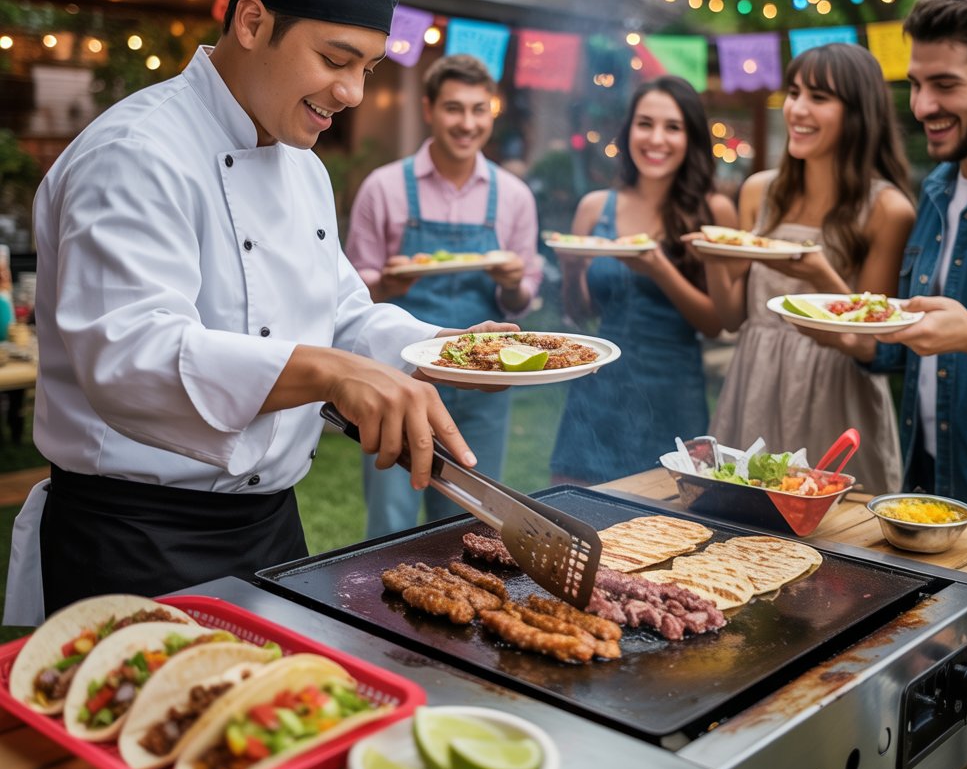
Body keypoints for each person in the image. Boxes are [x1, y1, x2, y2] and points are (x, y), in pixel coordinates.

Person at [3, 0, 510, 624]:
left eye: (366, 67)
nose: (353, 92)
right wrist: (330, 374)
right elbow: (129, 357)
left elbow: (340, 313)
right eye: (335, 60)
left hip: (270, 528)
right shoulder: (134, 154)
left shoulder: (301, 162)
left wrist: (443, 349)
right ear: (250, 22)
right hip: (135, 536)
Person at [823, 0, 967, 516]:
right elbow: (916, 346)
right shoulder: (935, 188)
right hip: (928, 487)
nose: (921, 105)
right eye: (914, 84)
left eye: (944, 84)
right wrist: (855, 337)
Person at [698, 43, 916, 494]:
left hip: (835, 391)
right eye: (794, 92)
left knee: (838, 542)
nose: (797, 108)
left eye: (819, 97)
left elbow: (867, 342)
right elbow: (734, 318)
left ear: (857, 114)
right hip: (755, 380)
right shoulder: (759, 192)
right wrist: (716, 258)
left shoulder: (888, 209)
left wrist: (818, 274)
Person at [345, 54, 542, 535]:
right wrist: (386, 283)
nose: (467, 123)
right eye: (454, 108)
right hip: (400, 379)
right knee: (390, 523)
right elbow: (348, 295)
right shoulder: (384, 188)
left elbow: (521, 305)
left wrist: (514, 282)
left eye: (479, 110)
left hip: (484, 383)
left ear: (491, 112)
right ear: (429, 108)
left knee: (469, 525)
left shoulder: (514, 196)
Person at [549, 75, 738, 485]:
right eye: (645, 123)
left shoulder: (715, 211)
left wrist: (659, 269)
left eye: (673, 127)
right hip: (597, 389)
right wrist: (572, 268)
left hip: (673, 391)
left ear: (691, 137)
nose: (656, 139)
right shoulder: (594, 208)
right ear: (628, 130)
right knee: (576, 520)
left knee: (669, 530)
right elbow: (581, 315)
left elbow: (715, 322)